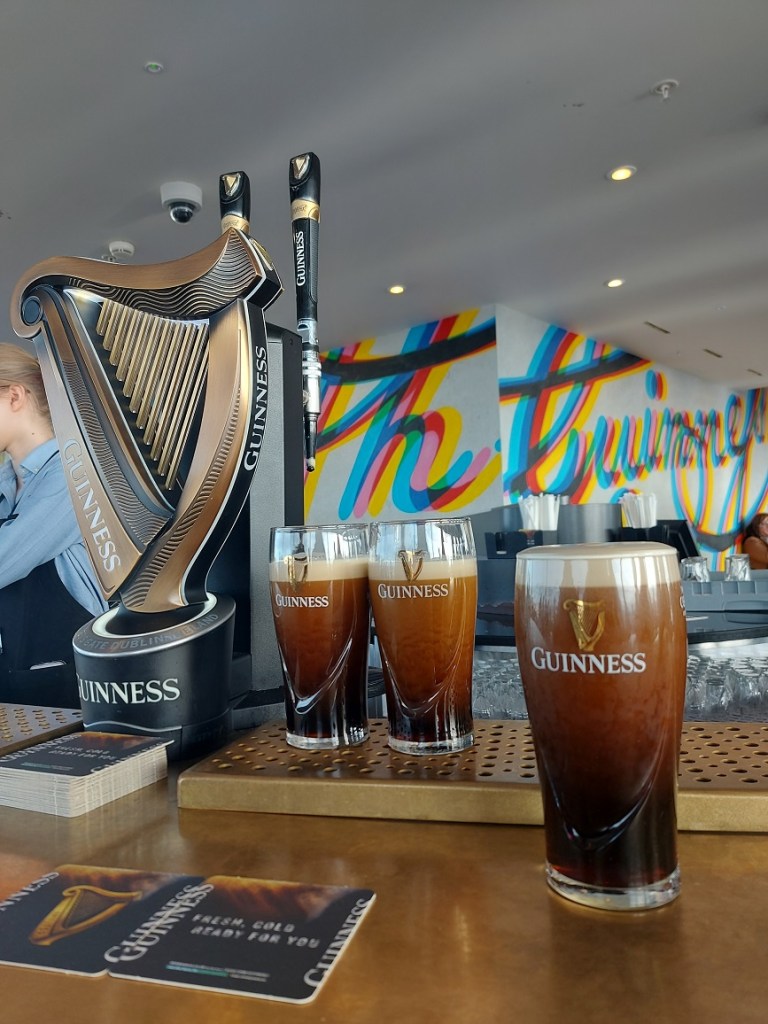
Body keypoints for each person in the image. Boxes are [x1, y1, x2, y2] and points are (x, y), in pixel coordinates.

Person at [0, 343, 107, 707]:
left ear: (15, 396)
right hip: (16, 692)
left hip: (69, 696)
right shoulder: (7, 484)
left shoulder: (71, 476)